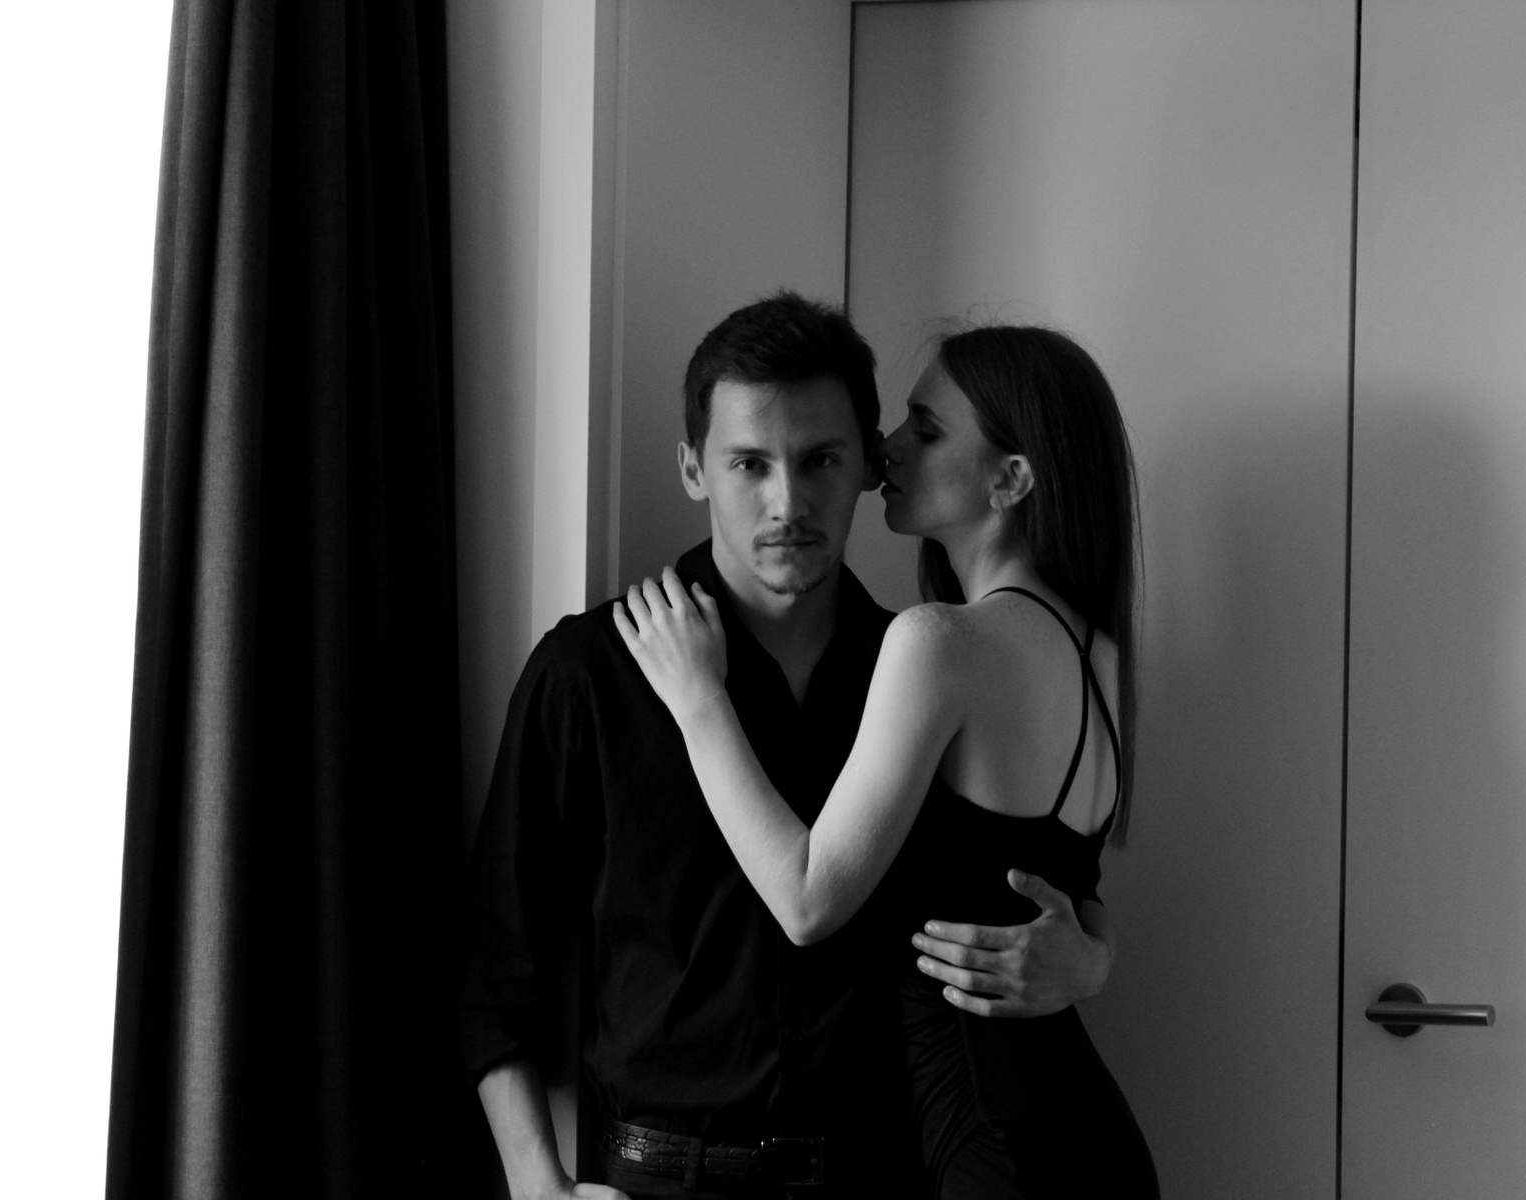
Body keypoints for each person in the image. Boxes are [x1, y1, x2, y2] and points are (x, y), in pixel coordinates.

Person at [461, 297, 1118, 1200]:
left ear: (869, 466)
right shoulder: (591, 672)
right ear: (693, 469)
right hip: (655, 1181)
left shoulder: (927, 671)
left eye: (819, 461)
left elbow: (1036, 873)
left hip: (883, 1178)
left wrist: (1092, 955)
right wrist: (537, 1183)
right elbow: (496, 955)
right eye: (749, 464)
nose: (788, 504)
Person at [615, 324, 1159, 1197]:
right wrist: (1097, 953)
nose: (886, 449)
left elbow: (806, 902)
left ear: (1010, 479)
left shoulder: (936, 642)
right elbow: (1053, 880)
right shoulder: (1100, 654)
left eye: (926, 430)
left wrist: (699, 701)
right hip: (1084, 1131)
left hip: (995, 1150)